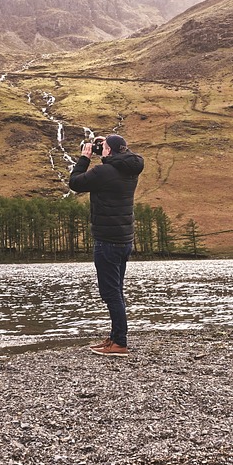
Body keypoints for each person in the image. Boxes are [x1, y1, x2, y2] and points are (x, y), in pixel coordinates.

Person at [69, 133, 145, 356]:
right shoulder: (130, 170)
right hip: (124, 240)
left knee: (110, 293)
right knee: (116, 291)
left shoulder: (104, 172)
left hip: (107, 241)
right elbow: (120, 158)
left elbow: (75, 183)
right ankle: (114, 338)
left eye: (104, 149)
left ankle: (119, 342)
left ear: (109, 151)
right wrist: (107, 146)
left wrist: (85, 157)